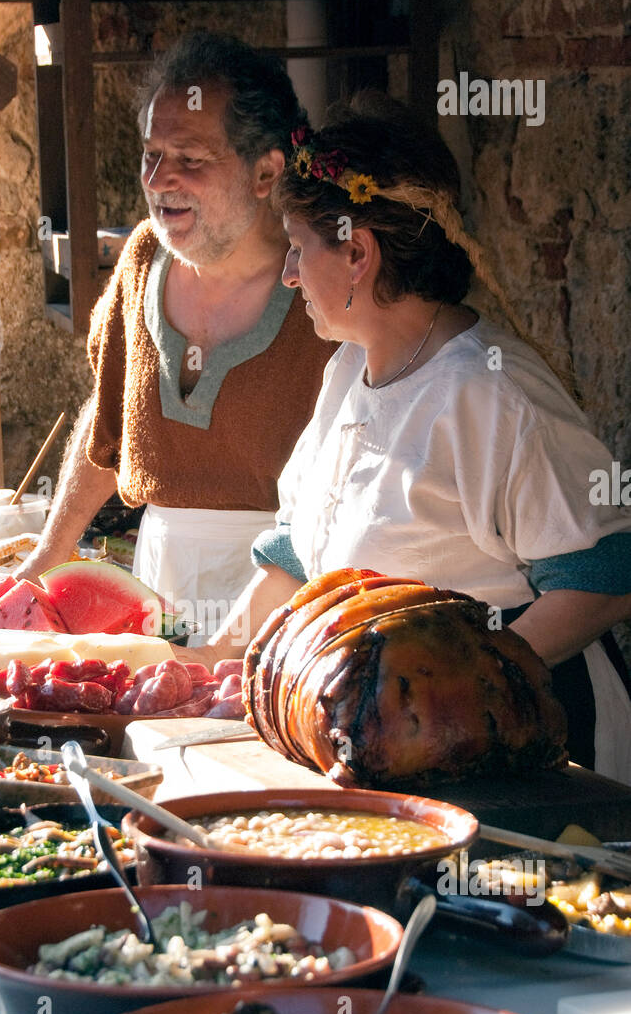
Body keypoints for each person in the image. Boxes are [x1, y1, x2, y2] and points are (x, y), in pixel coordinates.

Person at [179, 93, 631, 781]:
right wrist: (211, 665)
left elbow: (604, 576)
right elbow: (294, 561)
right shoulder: (349, 370)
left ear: (357, 251)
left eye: (299, 249)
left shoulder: (489, 394)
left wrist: (477, 693)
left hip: (523, 747)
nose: (290, 274)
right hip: (387, 741)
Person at [18, 33, 335, 643]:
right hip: (154, 588)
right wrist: (47, 557)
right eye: (151, 154)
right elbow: (107, 419)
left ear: (266, 170)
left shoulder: (321, 288)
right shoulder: (142, 260)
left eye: (189, 158)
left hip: (287, 598)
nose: (160, 180)